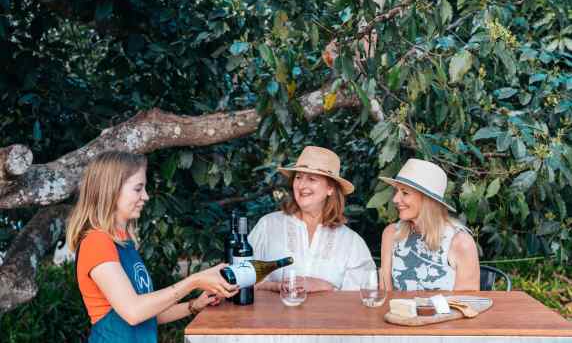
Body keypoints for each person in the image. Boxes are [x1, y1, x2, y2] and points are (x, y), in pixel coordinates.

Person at [66, 151, 237, 343]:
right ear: (111, 190)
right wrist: (194, 281)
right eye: (138, 189)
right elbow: (133, 312)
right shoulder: (97, 242)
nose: (146, 196)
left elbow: (146, 315)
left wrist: (194, 305)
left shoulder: (124, 243)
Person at [249, 146, 375, 292]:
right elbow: (242, 280)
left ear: (330, 188)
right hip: (274, 315)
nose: (302, 185)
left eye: (311, 179)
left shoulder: (351, 242)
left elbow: (363, 299)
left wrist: (325, 286)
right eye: (298, 177)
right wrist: (276, 286)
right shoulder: (268, 225)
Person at [379, 158, 480, 291]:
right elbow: (385, 295)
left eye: (405, 193)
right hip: (397, 312)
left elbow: (467, 305)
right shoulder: (391, 234)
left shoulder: (460, 243)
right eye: (396, 192)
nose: (395, 199)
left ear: (428, 200)